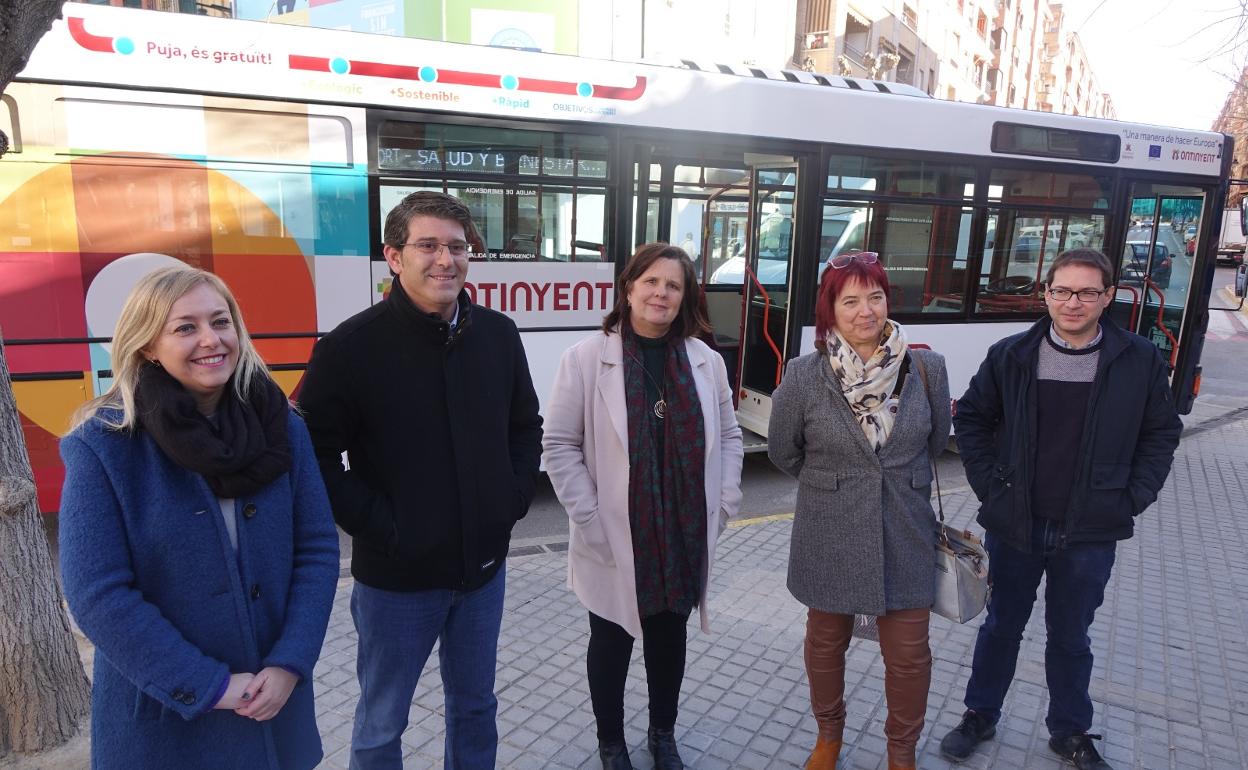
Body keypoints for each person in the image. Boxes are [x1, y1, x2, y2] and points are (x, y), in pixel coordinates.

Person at [298, 190, 543, 770]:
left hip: (483, 573)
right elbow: (314, 457)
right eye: (427, 245)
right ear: (393, 255)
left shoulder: (498, 335)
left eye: (457, 247)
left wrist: (509, 501)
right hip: (397, 584)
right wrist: (388, 528)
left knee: (476, 708)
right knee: (382, 721)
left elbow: (524, 425)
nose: (445, 260)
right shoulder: (349, 347)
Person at [59, 265, 340, 770]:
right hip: (168, 720)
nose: (211, 339)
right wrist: (209, 685)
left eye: (221, 321)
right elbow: (98, 595)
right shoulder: (103, 445)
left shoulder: (283, 427)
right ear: (147, 345)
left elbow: (317, 549)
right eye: (185, 327)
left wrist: (290, 662)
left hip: (273, 702)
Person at [938, 249, 1182, 770]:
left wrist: (1133, 496)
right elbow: (973, 419)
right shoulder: (1012, 355)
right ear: (1046, 294)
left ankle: (1069, 731)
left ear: (1108, 296)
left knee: (1071, 636)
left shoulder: (1138, 360)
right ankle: (979, 714)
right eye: (1063, 291)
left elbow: (1160, 434)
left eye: (1088, 292)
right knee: (1001, 625)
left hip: (1090, 530)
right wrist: (990, 487)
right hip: (1016, 525)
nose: (1074, 302)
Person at [543, 243, 743, 770]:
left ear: (686, 297)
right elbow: (558, 445)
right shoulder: (586, 359)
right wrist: (589, 519)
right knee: (609, 640)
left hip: (681, 531)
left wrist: (723, 504)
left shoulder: (706, 362)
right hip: (613, 531)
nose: (661, 293)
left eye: (673, 286)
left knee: (668, 640)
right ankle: (612, 743)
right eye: (651, 282)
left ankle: (662, 734)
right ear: (628, 287)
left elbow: (729, 436)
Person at [768, 251, 950, 770]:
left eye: (875, 296)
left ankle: (902, 753)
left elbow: (935, 441)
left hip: (908, 531)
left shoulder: (927, 367)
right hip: (828, 530)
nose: (865, 310)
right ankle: (829, 737)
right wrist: (838, 485)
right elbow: (783, 450)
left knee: (910, 655)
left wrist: (886, 480)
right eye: (850, 300)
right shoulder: (805, 375)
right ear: (831, 309)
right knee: (825, 643)